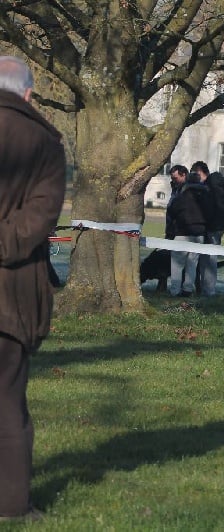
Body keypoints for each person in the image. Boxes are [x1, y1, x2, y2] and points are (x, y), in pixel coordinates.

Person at [0, 55, 66, 521]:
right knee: (6, 401)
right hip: (13, 292)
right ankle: (11, 506)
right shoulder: (45, 144)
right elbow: (38, 220)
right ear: (28, 94)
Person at [166, 171, 213, 297]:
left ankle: (175, 290)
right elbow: (210, 214)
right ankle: (187, 289)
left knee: (177, 264)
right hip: (199, 233)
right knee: (192, 263)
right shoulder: (205, 197)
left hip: (183, 232)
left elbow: (172, 210)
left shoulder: (182, 197)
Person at [190, 161, 224, 296]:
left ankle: (209, 291)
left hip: (211, 227)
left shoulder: (209, 188)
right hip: (217, 226)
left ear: (201, 172)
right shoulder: (217, 187)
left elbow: (210, 209)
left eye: (196, 174)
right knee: (208, 259)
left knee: (209, 260)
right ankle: (206, 289)